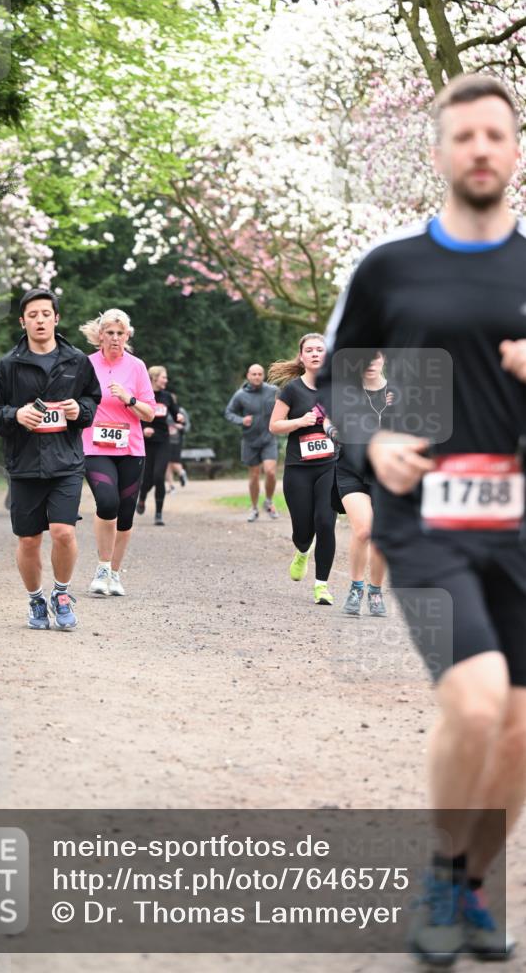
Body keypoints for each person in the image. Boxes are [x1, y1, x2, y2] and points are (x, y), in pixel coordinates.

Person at [320, 74, 526, 964]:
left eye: (495, 135)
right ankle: (445, 874)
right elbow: (337, 376)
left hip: (519, 523)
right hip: (426, 517)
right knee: (476, 706)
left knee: (519, 725)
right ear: (440, 152)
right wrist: (372, 446)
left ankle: (467, 883)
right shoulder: (389, 266)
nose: (479, 148)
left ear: (513, 152)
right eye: (463, 136)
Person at [0, 288, 101, 630]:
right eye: (33, 315)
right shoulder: (8, 365)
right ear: (23, 322)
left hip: (66, 462)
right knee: (29, 539)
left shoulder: (77, 361)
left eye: (46, 314)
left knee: (63, 532)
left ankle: (61, 595)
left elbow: (93, 401)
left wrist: (81, 410)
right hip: (25, 464)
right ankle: (35, 599)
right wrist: (15, 415)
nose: (40, 320)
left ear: (56, 318)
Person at [80, 309, 155, 596]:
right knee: (107, 502)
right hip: (95, 446)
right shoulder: (85, 365)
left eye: (120, 333)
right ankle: (101, 566)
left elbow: (149, 414)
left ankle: (114, 572)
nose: (114, 338)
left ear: (127, 336)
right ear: (100, 335)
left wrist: (129, 398)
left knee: (125, 516)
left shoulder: (137, 367)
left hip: (131, 448)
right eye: (109, 332)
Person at [268, 334, 338, 605]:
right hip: (299, 468)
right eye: (309, 350)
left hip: (330, 465)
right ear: (301, 357)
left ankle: (322, 586)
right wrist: (299, 421)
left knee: (325, 522)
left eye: (320, 349)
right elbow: (274, 426)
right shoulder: (291, 390)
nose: (315, 354)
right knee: (303, 530)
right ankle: (301, 550)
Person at [337, 351, 394, 617]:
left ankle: (375, 591)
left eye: (375, 358)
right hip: (351, 470)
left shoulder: (399, 392)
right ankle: (356, 587)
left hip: (386, 474)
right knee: (363, 531)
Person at [225, 364, 279, 521]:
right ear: (248, 376)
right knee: (254, 475)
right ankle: (254, 508)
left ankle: (268, 501)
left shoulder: (273, 391)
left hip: (269, 438)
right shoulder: (240, 395)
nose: (257, 376)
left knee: (270, 471)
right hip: (250, 440)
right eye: (254, 374)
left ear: (263, 375)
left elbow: (285, 405)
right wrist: (241, 420)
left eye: (260, 374)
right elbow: (229, 412)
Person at [136, 366, 184, 525]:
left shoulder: (167, 396)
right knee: (147, 478)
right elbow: (135, 416)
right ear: (154, 378)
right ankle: (142, 498)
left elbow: (175, 413)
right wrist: (143, 429)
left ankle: (158, 514)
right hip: (146, 442)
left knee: (158, 476)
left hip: (163, 440)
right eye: (164, 377)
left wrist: (179, 416)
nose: (166, 380)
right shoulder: (143, 395)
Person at [166, 403, 190, 491]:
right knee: (167, 464)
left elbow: (187, 426)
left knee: (174, 462)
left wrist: (180, 427)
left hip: (176, 441)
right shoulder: (163, 410)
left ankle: (182, 473)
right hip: (165, 440)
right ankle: (171, 486)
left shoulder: (181, 411)